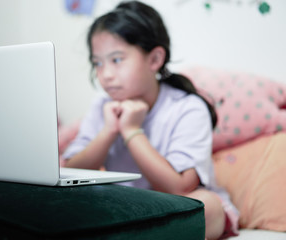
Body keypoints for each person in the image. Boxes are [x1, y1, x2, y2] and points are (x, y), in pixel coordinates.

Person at [63, 1, 239, 239]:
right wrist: (108, 131)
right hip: (127, 206)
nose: (105, 74)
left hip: (176, 203)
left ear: (154, 59)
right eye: (98, 63)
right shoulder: (102, 105)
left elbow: (179, 187)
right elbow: (72, 172)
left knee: (206, 205)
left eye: (116, 60)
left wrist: (131, 130)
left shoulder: (187, 108)